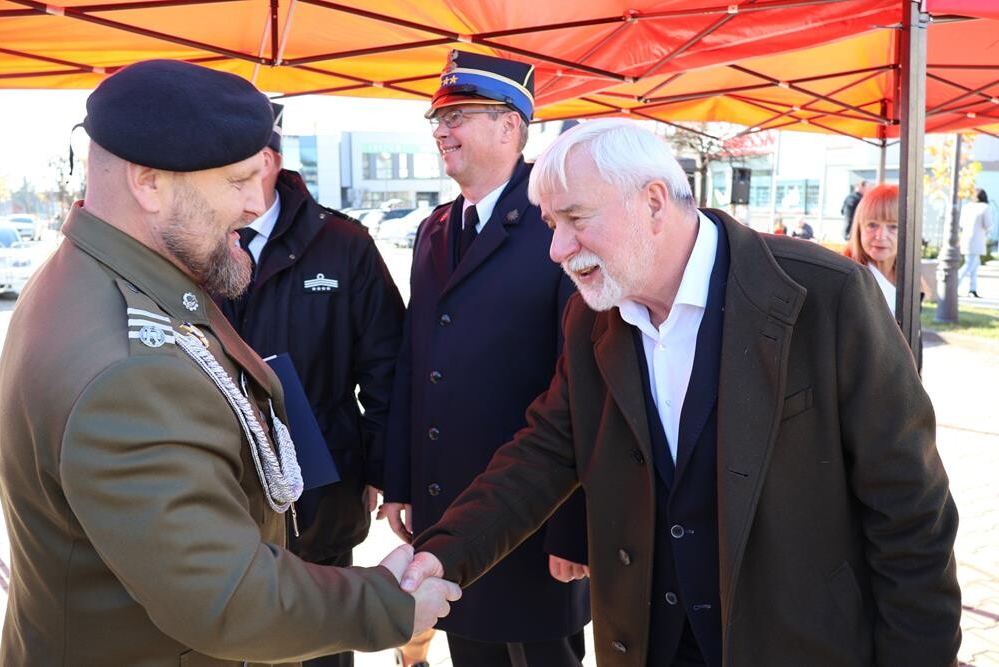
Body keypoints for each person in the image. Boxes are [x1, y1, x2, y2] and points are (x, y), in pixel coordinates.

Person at [401, 119, 962, 667]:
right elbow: (542, 453)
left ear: (652, 202)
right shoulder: (590, 317)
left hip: (798, 640)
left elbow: (910, 508)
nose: (557, 248)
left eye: (576, 218)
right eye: (552, 224)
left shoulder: (825, 294)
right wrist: (443, 554)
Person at [0, 59, 460, 666]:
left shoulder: (99, 278)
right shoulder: (132, 369)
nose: (253, 203)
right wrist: (388, 604)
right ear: (150, 183)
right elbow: (226, 599)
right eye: (236, 181)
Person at [381, 50, 591, 667]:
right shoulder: (436, 228)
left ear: (511, 126)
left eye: (461, 115)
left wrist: (573, 525)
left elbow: (581, 382)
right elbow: (414, 365)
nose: (443, 131)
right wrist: (401, 482)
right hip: (449, 508)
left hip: (532, 520)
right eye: (437, 119)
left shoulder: (557, 221)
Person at [219, 103, 406, 667]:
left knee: (321, 644)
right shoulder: (190, 242)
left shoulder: (344, 245)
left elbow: (385, 367)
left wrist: (381, 471)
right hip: (219, 488)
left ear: (267, 161)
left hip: (321, 495)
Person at [844, 183, 930, 316]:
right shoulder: (846, 280)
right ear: (859, 228)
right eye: (872, 225)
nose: (881, 236)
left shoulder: (910, 279)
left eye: (893, 227)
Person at [958, 188, 992, 298]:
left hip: (966, 239)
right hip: (977, 240)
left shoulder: (966, 207)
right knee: (969, 265)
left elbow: (961, 224)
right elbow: (988, 225)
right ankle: (953, 286)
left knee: (974, 264)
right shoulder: (985, 208)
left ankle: (972, 290)